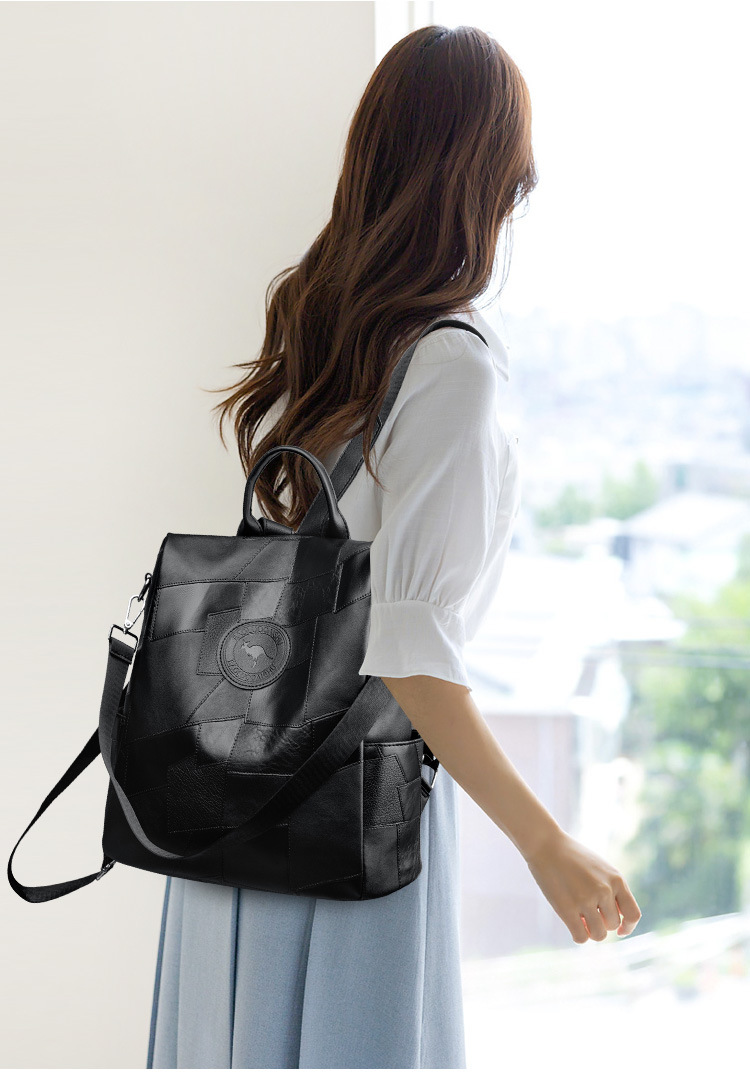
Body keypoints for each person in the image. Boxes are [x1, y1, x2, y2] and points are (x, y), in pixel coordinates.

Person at [146, 23, 641, 1070]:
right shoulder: (451, 366)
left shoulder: (324, 331)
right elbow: (409, 654)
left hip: (228, 815)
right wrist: (545, 841)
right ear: (493, 177)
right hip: (353, 814)